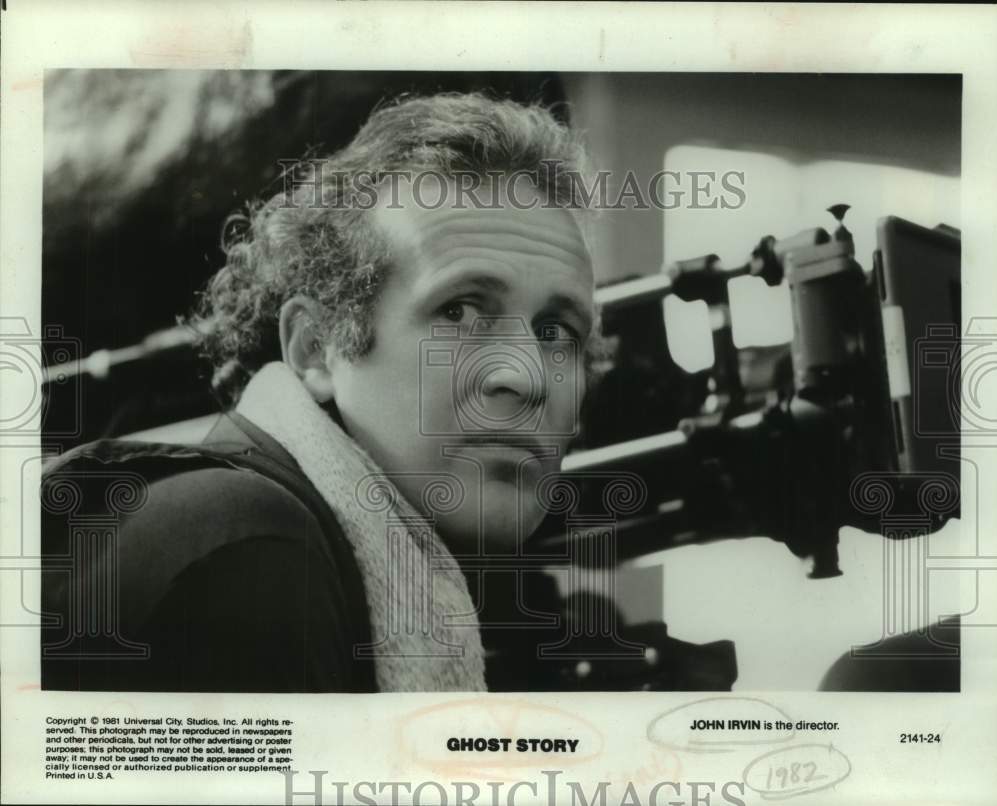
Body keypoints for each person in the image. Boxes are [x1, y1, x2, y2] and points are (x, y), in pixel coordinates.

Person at [40, 93, 601, 693]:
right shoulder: (251, 552)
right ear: (314, 347)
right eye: (459, 310)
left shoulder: (297, 539)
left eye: (556, 332)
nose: (527, 376)